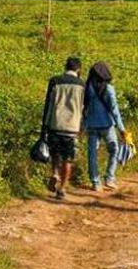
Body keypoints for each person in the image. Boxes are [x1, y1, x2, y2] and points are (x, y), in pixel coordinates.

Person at [41, 56, 85, 200]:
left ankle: (54, 173)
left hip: (55, 124)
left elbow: (48, 105)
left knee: (55, 154)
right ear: (78, 69)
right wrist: (82, 126)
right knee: (68, 159)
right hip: (72, 128)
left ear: (65, 67)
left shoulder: (55, 81)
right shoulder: (82, 85)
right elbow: (84, 108)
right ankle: (62, 188)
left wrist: (44, 127)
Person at [83, 61, 127, 192]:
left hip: (91, 124)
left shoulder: (88, 87)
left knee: (92, 153)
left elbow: (83, 107)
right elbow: (114, 110)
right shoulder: (108, 89)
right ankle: (109, 178)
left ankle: (95, 182)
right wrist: (122, 129)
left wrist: (82, 123)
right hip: (107, 125)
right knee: (114, 150)